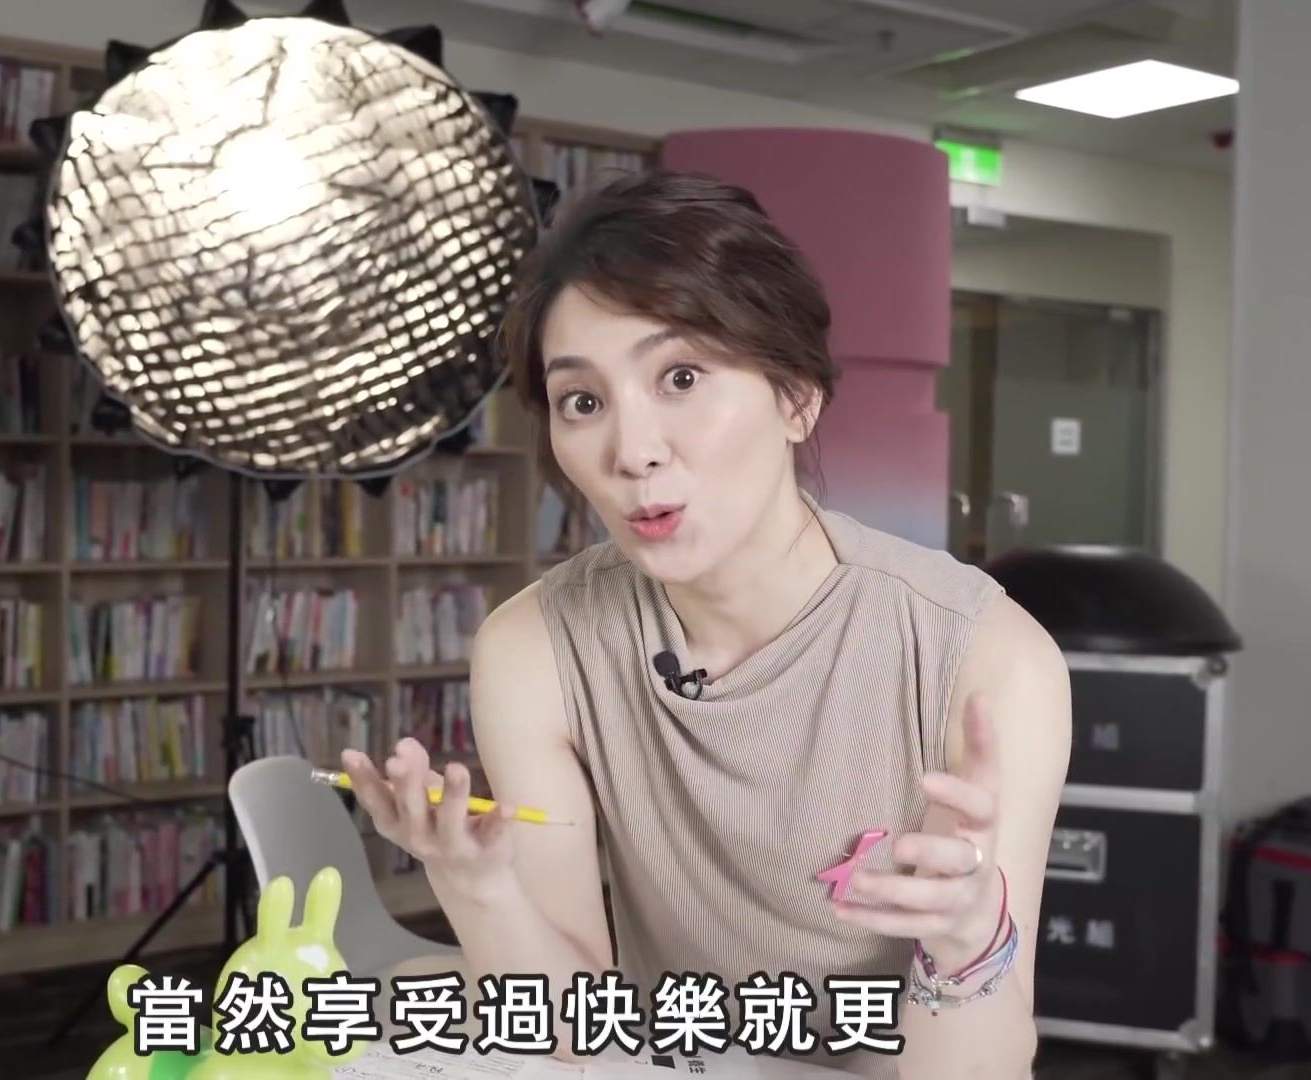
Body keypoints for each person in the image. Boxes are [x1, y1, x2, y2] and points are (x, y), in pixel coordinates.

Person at [341, 169, 1071, 1077]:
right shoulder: (536, 648)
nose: (633, 451)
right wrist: (475, 886)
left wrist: (967, 945)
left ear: (796, 396)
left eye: (681, 377)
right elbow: (569, 1032)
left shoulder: (986, 658)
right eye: (582, 402)